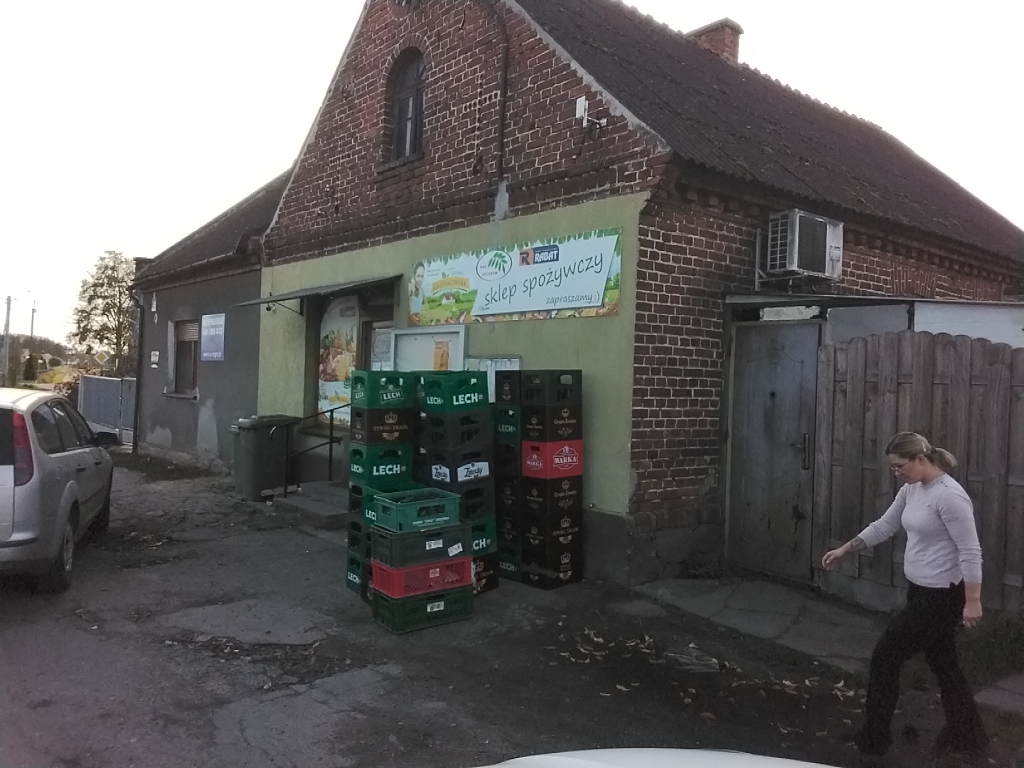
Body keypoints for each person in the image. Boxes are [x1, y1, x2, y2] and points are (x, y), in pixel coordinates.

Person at [822, 432, 988, 757]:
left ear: (921, 459)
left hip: (941, 597)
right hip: (920, 590)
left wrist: (973, 600)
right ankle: (968, 736)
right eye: (893, 467)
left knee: (886, 656)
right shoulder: (912, 489)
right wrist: (845, 549)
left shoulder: (950, 496)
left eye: (900, 466)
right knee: (944, 662)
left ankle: (875, 739)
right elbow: (885, 525)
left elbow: (970, 550)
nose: (896, 472)